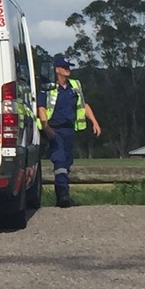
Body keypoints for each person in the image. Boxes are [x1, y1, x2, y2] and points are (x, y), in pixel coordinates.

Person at [37, 55, 101, 208]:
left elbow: (84, 105)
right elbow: (41, 108)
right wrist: (46, 127)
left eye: (69, 67)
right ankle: (63, 197)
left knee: (66, 162)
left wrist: (95, 122)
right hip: (54, 130)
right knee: (59, 160)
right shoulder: (48, 87)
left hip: (69, 130)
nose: (68, 70)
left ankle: (64, 195)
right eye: (64, 67)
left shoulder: (75, 86)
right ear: (57, 70)